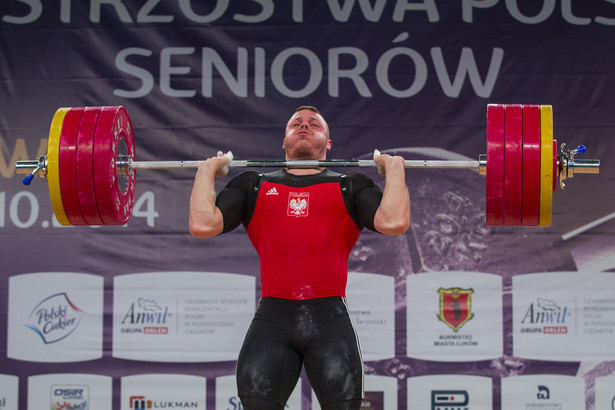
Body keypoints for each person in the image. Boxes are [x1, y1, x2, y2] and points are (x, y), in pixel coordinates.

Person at [189, 106, 410, 410]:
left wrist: (395, 167)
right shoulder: (253, 185)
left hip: (330, 320)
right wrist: (206, 170)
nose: (304, 126)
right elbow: (203, 225)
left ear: (328, 143)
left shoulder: (350, 185)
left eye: (314, 124)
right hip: (272, 320)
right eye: (296, 123)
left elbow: (394, 222)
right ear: (284, 141)